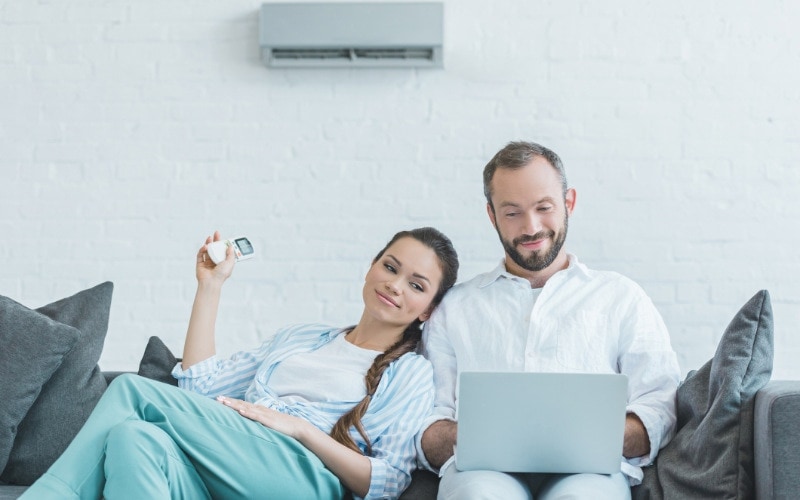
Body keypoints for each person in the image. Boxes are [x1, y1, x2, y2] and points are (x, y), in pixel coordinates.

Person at [21, 227, 459, 500]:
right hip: (240, 454)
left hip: (302, 474)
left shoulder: (412, 373)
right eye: (390, 266)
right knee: (133, 439)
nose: (395, 285)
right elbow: (196, 388)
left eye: (416, 285)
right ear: (370, 268)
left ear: (426, 310)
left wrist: (301, 429)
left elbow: (389, 481)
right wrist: (210, 286)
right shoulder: (301, 337)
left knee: (131, 391)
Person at [417, 141, 681, 499]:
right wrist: (483, 437)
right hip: (481, 473)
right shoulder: (455, 307)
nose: (531, 227)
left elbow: (659, 404)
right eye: (512, 213)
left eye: (544, 207)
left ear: (568, 203)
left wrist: (583, 437)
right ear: (492, 216)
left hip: (590, 474)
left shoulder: (621, 297)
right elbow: (426, 419)